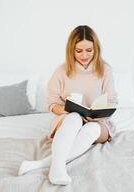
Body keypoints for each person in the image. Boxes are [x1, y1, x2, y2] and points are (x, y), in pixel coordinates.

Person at [18, 25, 117, 185]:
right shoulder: (61, 71)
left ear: (96, 49)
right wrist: (70, 109)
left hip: (99, 122)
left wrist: (101, 110)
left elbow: (111, 99)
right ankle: (57, 169)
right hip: (68, 119)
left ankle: (42, 165)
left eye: (89, 50)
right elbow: (52, 104)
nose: (84, 55)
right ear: (71, 50)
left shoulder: (105, 70)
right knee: (74, 117)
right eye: (79, 51)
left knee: (91, 128)